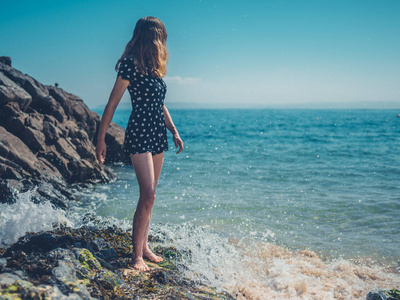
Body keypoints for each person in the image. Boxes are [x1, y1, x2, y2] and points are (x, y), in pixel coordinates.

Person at [95, 16, 184, 271]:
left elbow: (161, 105)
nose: (163, 42)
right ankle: (136, 257)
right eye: (161, 37)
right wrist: (101, 139)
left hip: (158, 134)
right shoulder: (129, 66)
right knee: (148, 193)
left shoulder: (154, 70)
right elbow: (112, 103)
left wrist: (174, 131)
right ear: (153, 37)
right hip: (139, 133)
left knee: (150, 197)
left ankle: (144, 246)